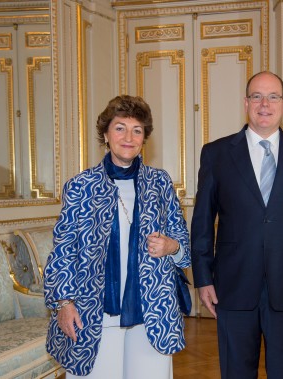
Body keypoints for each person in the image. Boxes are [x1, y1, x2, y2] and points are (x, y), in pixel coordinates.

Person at [190, 71, 283, 379]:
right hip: (231, 285)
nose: (264, 104)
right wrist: (203, 278)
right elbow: (202, 221)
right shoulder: (216, 154)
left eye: (273, 97)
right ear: (246, 103)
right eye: (257, 96)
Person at [44, 95, 191, 378]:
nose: (128, 137)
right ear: (106, 134)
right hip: (92, 311)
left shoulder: (160, 183)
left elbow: (183, 244)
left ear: (144, 138)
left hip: (151, 311)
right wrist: (63, 303)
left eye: (137, 130)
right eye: (120, 128)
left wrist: (172, 246)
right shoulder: (81, 186)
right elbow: (62, 252)